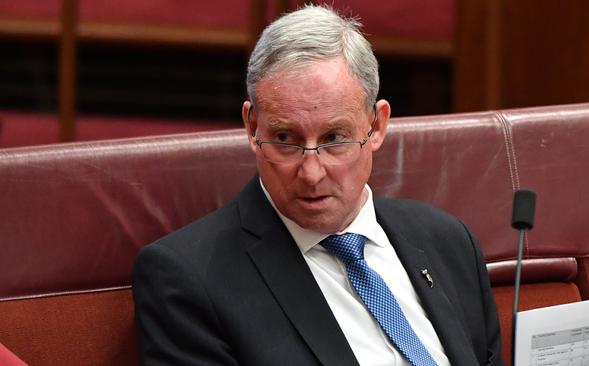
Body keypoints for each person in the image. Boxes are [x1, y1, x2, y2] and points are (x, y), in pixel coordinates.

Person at [133, 5, 503, 366]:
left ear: (376, 127)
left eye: (334, 137)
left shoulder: (448, 242)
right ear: (251, 128)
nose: (311, 173)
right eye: (285, 138)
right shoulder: (188, 280)